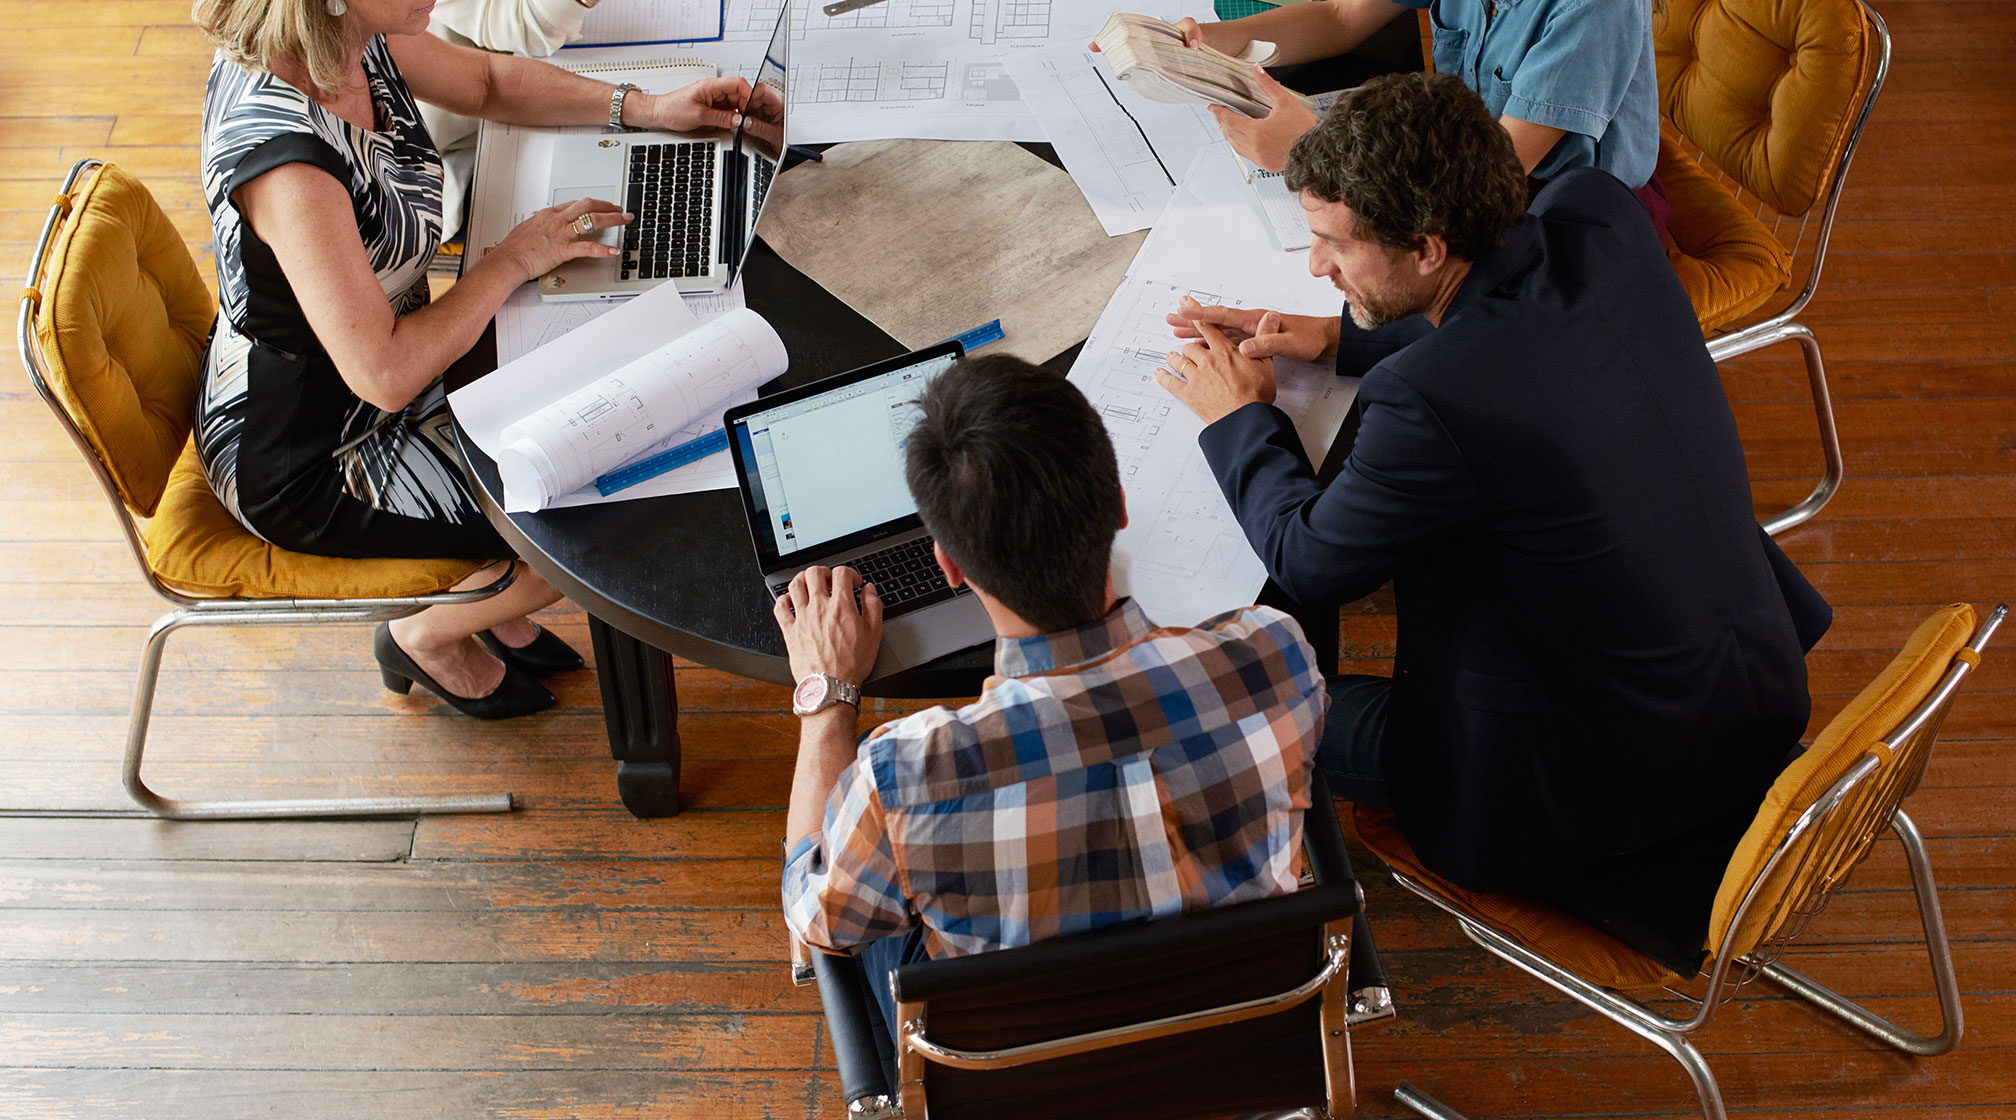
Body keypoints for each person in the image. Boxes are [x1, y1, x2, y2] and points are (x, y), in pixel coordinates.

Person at [1157, 72, 1831, 973]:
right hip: (1742, 686)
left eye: (1332, 246)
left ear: (1428, 247)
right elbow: (1498, 316)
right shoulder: (1599, 217)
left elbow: (1312, 559)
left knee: (1225, 719)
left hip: (1583, 779)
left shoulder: (1433, 399)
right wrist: (1336, 333)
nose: (1316, 267)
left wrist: (1239, 416)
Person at [191, 0, 750, 718]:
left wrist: (643, 109)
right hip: (318, 451)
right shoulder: (286, 158)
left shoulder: (346, 36)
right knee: (583, 518)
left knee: (598, 404)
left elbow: (487, 82)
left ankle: (491, 603)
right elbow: (384, 376)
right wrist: (514, 257)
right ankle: (421, 632)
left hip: (391, 361)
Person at [778, 354, 1337, 1052]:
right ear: (1120, 507)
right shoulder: (1275, 655)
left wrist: (827, 699)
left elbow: (816, 921)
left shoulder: (903, 778)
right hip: (1235, 1041)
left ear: (950, 567)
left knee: (870, 909)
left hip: (1028, 1073)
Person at [1158, 0, 1664, 229]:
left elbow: (1492, 181)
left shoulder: (1597, 7)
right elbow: (1338, 16)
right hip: (1460, 160)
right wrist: (1206, 42)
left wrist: (1311, 147)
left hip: (1562, 209)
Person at [421, 0, 609, 240]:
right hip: (469, 157)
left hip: (507, 94)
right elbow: (526, 28)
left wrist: (649, 108)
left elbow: (489, 81)